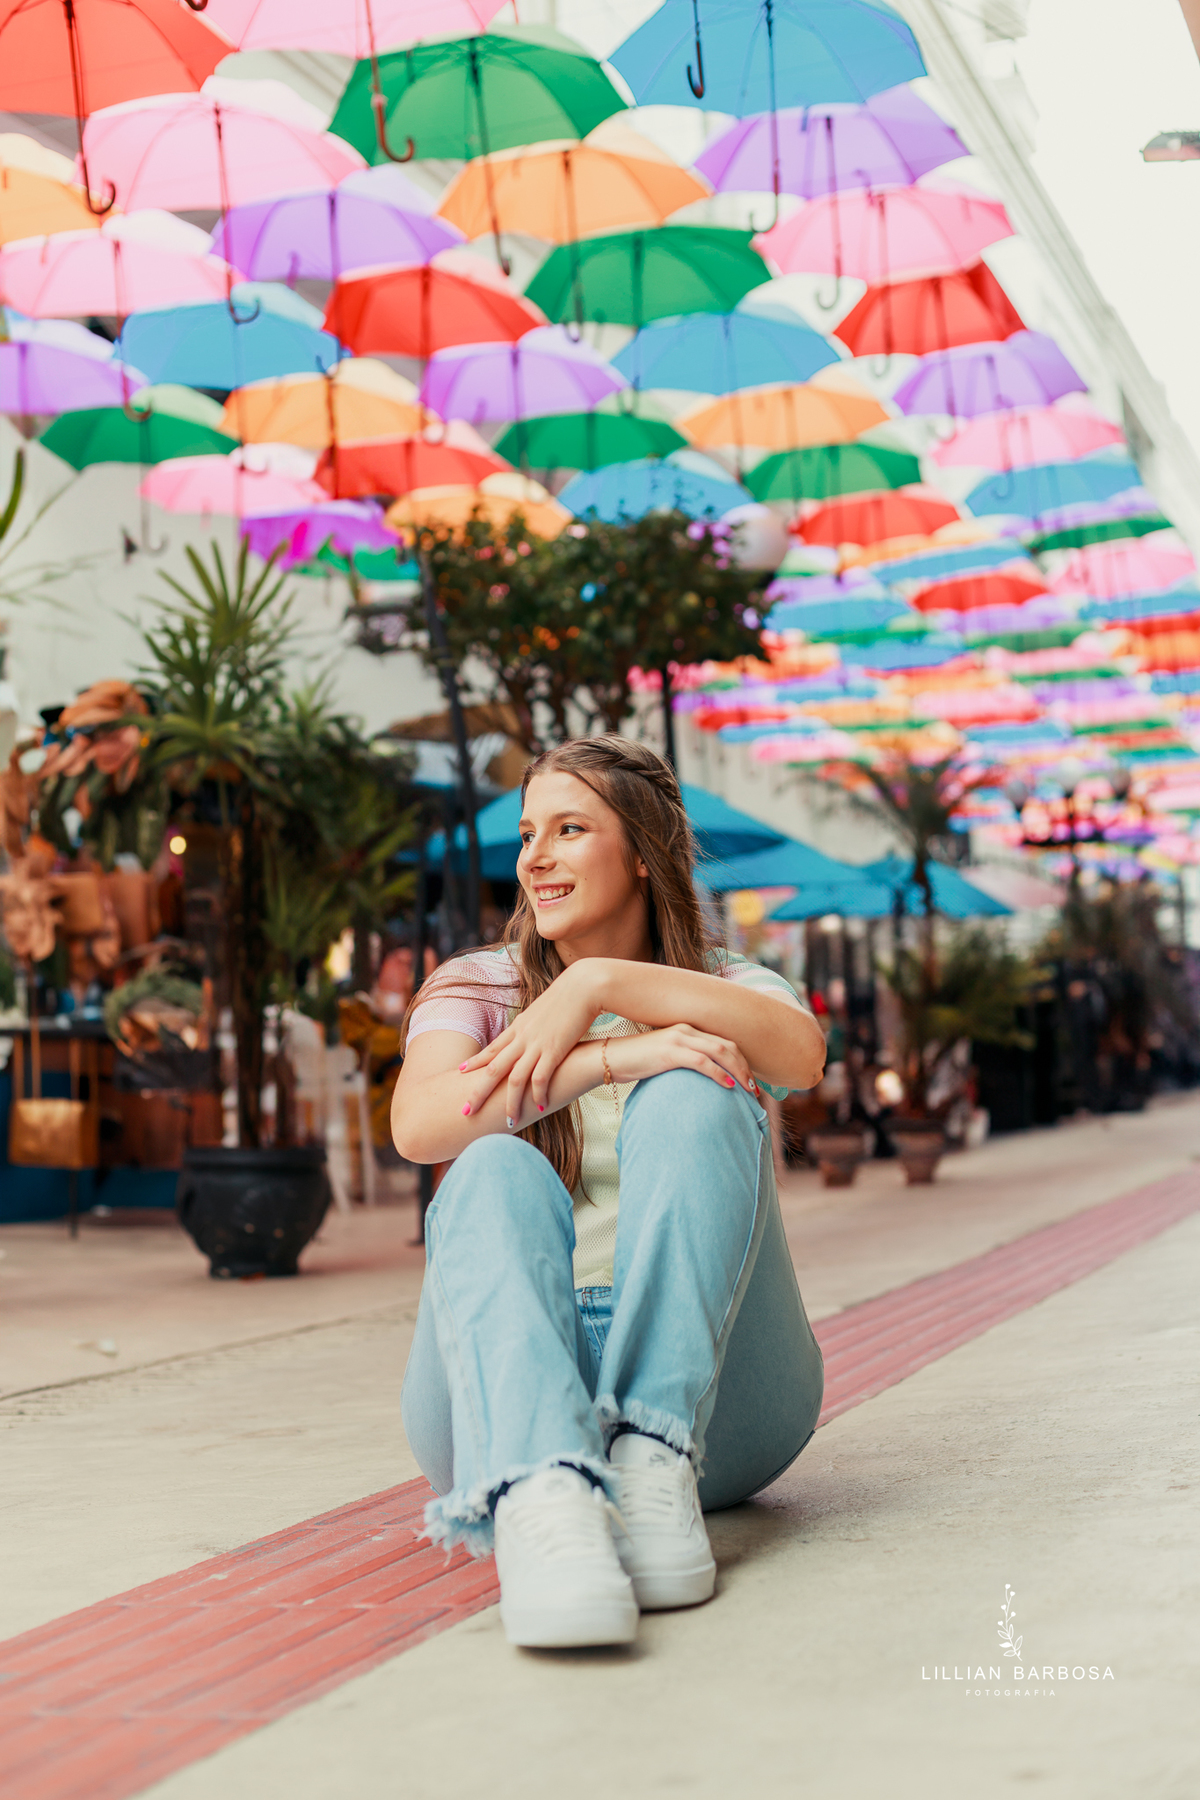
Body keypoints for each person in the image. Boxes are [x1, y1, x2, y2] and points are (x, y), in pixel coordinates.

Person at [392, 737, 827, 1650]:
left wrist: (597, 984)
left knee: (692, 1093)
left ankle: (652, 1451)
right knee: (492, 1163)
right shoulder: (473, 985)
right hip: (504, 1392)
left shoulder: (727, 983)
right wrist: (607, 1055)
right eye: (526, 835)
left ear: (639, 853)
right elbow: (421, 1125)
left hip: (724, 1408)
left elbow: (801, 1055)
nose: (534, 858)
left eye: (569, 829)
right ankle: (545, 1501)